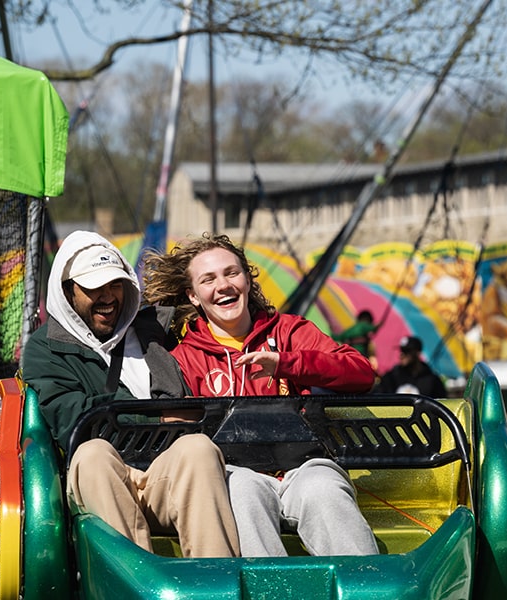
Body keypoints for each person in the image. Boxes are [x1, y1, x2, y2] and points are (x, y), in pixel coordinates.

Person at [140, 233, 379, 558]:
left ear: (248, 280)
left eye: (231, 273)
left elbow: (361, 372)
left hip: (303, 467)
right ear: (194, 296)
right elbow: (180, 437)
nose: (223, 285)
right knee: (241, 493)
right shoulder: (183, 358)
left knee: (325, 491)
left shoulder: (290, 331)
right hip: (236, 472)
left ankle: (364, 588)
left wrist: (288, 364)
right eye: (208, 279)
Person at [21, 230, 240, 558]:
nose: (108, 296)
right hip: (101, 479)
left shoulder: (156, 330)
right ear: (68, 292)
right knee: (93, 453)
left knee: (198, 448)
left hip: (163, 474)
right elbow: (71, 419)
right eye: (94, 287)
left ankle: (216, 584)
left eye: (114, 284)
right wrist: (156, 415)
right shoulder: (44, 348)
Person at [374, 336, 448, 398]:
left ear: (417, 353)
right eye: (401, 351)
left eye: (406, 351)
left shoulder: (432, 380)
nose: (401, 355)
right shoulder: (391, 378)